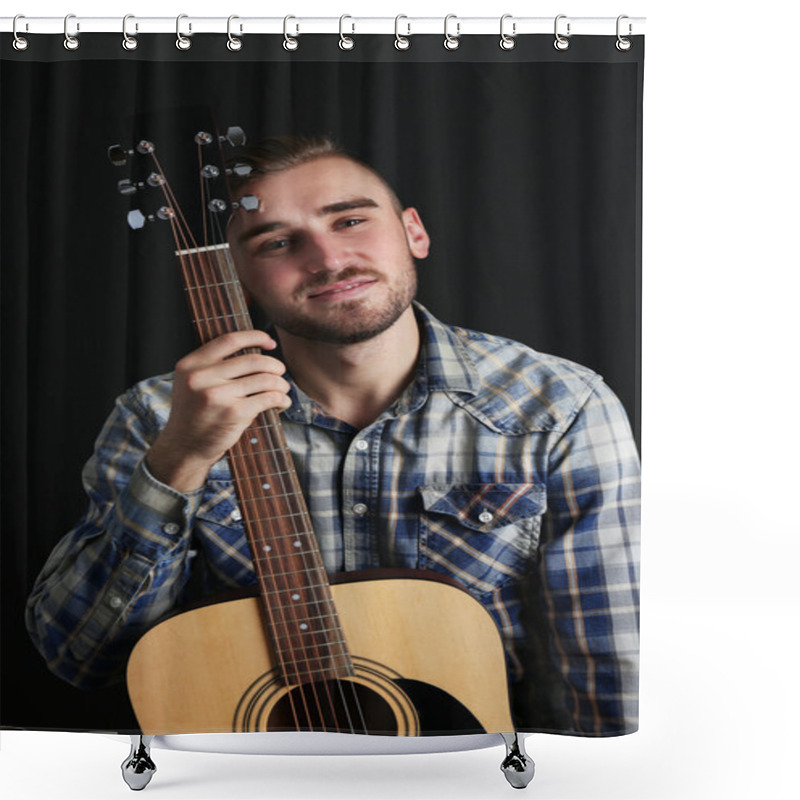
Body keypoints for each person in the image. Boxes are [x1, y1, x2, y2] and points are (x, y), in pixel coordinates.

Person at [26, 135, 640, 735]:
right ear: (235, 275)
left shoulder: (559, 407)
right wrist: (180, 458)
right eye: (278, 242)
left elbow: (607, 665)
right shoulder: (160, 416)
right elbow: (80, 659)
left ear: (414, 233)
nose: (325, 259)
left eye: (348, 222)